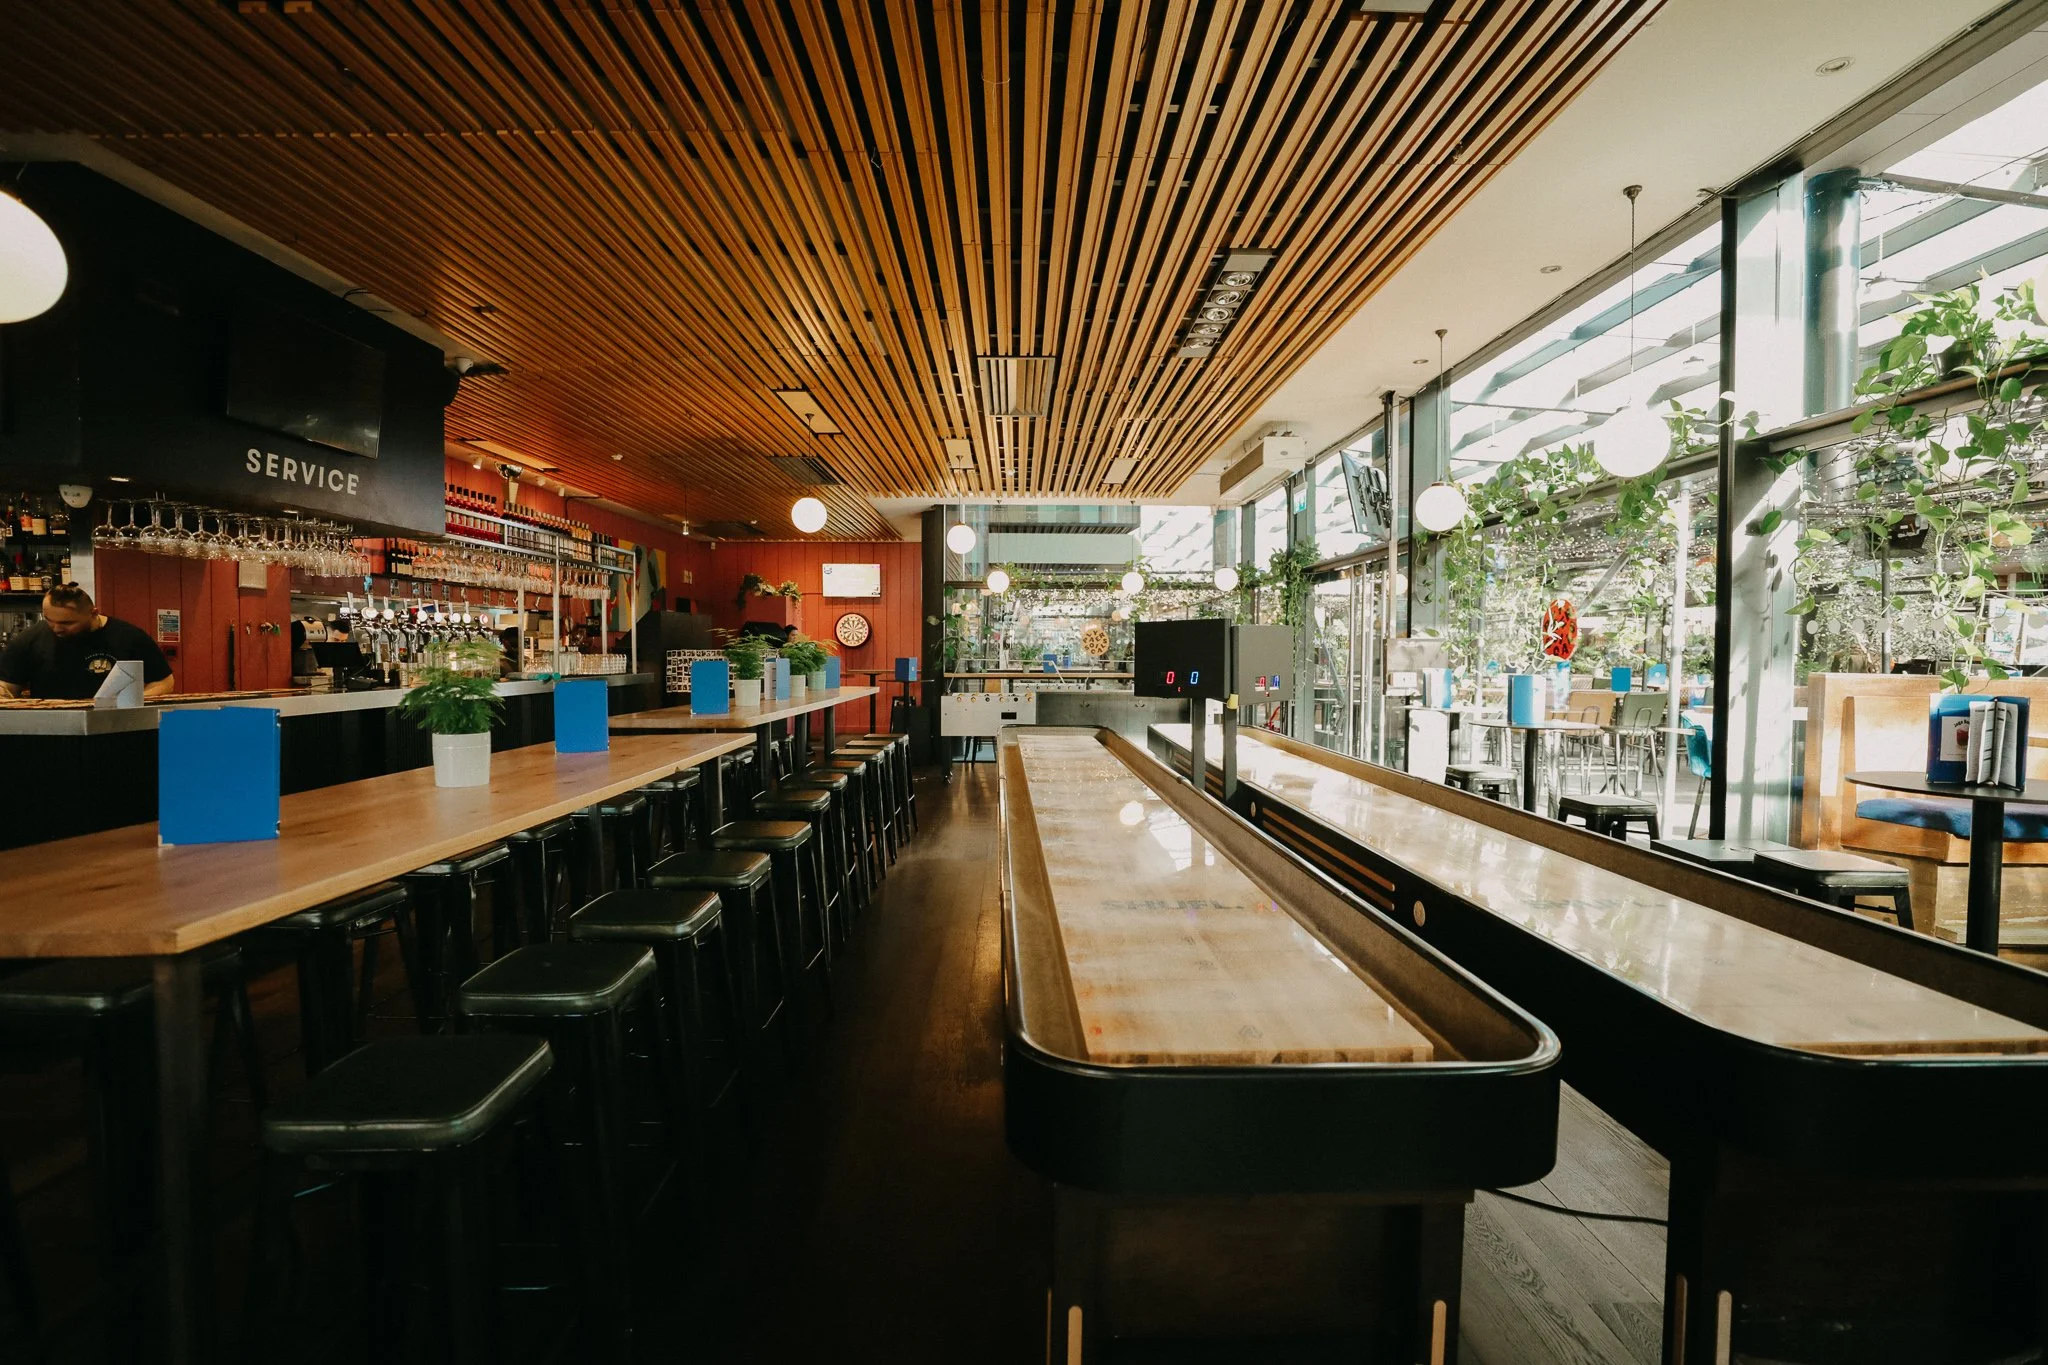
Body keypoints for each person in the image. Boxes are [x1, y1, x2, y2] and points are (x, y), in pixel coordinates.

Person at [0, 583, 176, 700]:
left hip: (115, 730)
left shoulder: (128, 637)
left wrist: (131, 702)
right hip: (50, 732)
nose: (56, 628)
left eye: (67, 623)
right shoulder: (29, 640)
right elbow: (7, 687)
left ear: (93, 613)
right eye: (49, 620)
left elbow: (164, 682)